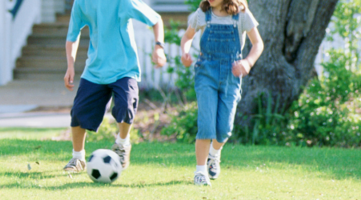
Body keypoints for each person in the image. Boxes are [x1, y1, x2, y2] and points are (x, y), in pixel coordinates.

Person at [61, 0, 167, 172]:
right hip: (95, 70)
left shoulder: (123, 1)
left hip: (124, 69)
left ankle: (122, 144)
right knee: (79, 113)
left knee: (125, 106)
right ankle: (78, 158)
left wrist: (159, 47)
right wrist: (70, 66)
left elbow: (156, 20)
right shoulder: (81, 3)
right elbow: (72, 35)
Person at [180, 0, 263, 186]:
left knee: (224, 129)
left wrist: (248, 62)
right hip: (206, 74)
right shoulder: (202, 14)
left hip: (231, 76)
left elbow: (258, 43)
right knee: (206, 125)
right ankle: (200, 171)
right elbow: (187, 37)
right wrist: (185, 52)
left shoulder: (241, 15)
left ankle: (214, 154)